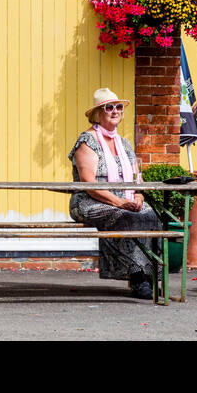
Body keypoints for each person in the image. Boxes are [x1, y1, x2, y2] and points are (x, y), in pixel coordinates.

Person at [68, 87, 164, 299]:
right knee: (127, 217)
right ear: (98, 114)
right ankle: (138, 276)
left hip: (124, 199)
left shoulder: (125, 143)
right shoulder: (88, 141)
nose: (115, 111)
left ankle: (151, 275)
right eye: (108, 107)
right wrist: (118, 202)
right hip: (89, 201)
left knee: (151, 216)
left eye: (118, 107)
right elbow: (88, 183)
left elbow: (138, 180)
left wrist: (138, 196)